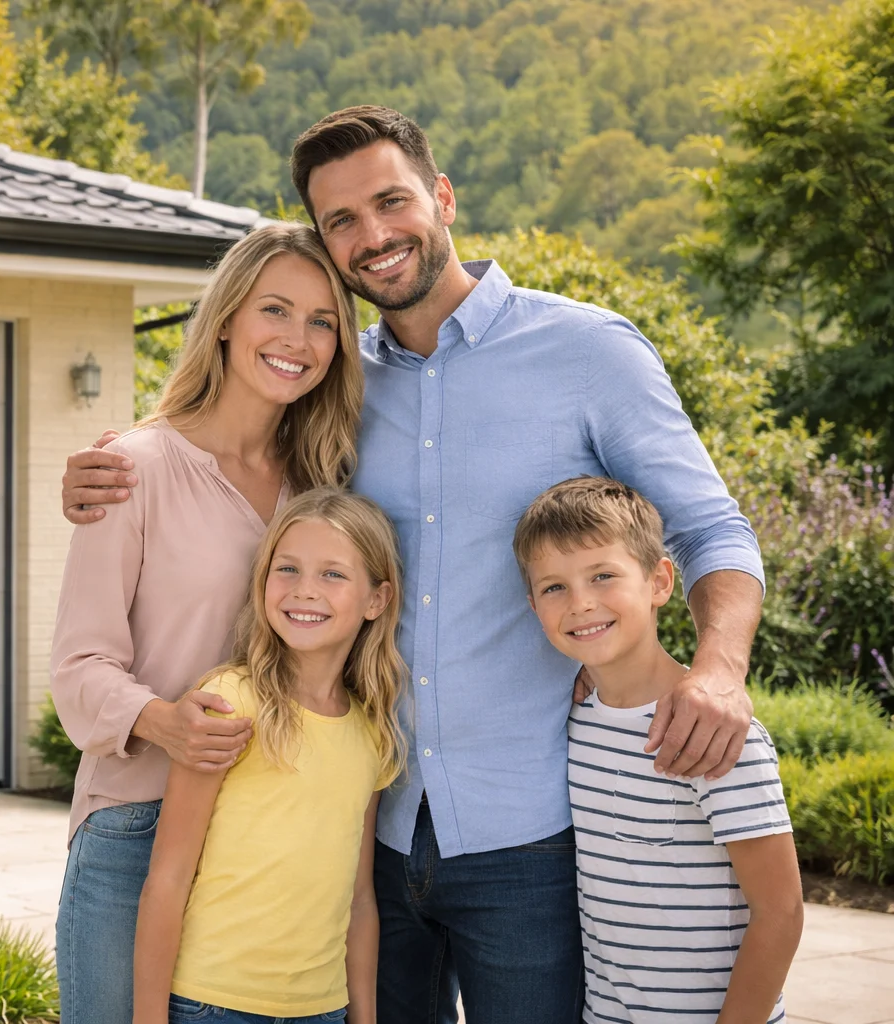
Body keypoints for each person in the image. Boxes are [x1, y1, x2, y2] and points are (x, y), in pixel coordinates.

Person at [60, 105, 767, 1019]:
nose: (373, 235)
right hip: (366, 837)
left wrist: (718, 671)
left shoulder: (588, 353)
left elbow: (712, 529)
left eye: (391, 202)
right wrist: (116, 465)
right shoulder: (335, 388)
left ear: (441, 196)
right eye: (340, 222)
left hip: (525, 833)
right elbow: (226, 474)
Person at [50, 221, 364, 1024]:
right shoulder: (132, 469)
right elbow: (79, 668)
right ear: (226, 318)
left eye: (323, 321)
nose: (299, 339)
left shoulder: (324, 485)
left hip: (273, 835)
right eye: (276, 310)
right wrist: (163, 723)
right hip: (137, 825)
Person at [514, 476, 802, 1024]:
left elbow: (781, 912)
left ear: (659, 581)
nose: (581, 603)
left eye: (604, 576)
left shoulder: (710, 731)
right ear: (533, 604)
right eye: (554, 587)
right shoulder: (572, 717)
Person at [135, 488, 406, 1024]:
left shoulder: (372, 731)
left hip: (323, 1009)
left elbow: (359, 900)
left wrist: (364, 1014)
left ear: (377, 600)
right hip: (211, 1004)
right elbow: (168, 876)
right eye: (287, 569)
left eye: (333, 574)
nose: (305, 591)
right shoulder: (229, 702)